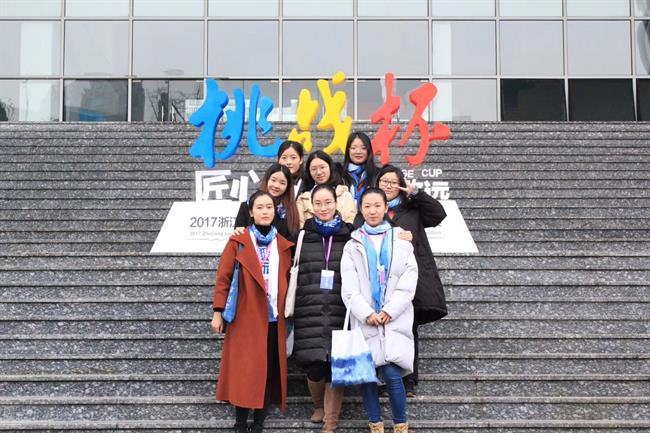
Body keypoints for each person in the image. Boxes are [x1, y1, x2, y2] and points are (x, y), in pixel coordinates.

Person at [211, 190, 294, 433]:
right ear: (250, 212)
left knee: (268, 371)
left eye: (269, 207)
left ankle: (259, 423)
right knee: (244, 371)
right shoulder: (238, 241)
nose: (265, 211)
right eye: (260, 207)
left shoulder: (283, 245)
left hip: (274, 319)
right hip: (245, 317)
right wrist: (217, 311)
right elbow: (223, 278)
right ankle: (240, 423)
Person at [341, 188, 418, 433]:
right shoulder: (352, 245)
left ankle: (400, 425)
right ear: (360, 209)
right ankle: (375, 424)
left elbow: (409, 280)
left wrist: (390, 310)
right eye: (367, 206)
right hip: (366, 319)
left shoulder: (402, 241)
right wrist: (367, 313)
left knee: (393, 374)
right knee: (367, 376)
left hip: (394, 318)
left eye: (377, 206)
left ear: (386, 208)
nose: (372, 211)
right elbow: (349, 287)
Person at [374, 165, 447, 397]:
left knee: (408, 329)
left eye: (393, 182)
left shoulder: (412, 209)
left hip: (408, 280)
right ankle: (384, 381)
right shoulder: (372, 208)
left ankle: (408, 380)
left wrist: (416, 193)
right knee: (381, 331)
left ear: (400, 185)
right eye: (384, 181)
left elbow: (438, 214)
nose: (388, 186)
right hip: (380, 280)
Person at [292, 184, 353, 433]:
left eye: (328, 202)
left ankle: (330, 421)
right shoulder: (302, 236)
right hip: (310, 307)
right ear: (311, 206)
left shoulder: (349, 234)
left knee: (336, 367)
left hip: (341, 307)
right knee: (315, 367)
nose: (323, 207)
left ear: (336, 204)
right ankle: (318, 404)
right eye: (318, 203)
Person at [234, 163, 300, 239]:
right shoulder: (247, 206)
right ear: (267, 179)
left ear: (287, 187)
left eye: (282, 183)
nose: (276, 186)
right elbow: (238, 235)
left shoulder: (290, 211)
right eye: (273, 180)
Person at [297, 150, 356, 227]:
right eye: (314, 169)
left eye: (322, 167)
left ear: (330, 167)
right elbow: (301, 226)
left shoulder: (344, 195)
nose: (318, 172)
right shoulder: (303, 198)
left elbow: (351, 221)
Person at [340, 132, 379, 206]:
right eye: (353, 148)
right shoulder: (339, 174)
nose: (358, 152)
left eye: (363, 148)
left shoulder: (378, 174)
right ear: (348, 150)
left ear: (369, 151)